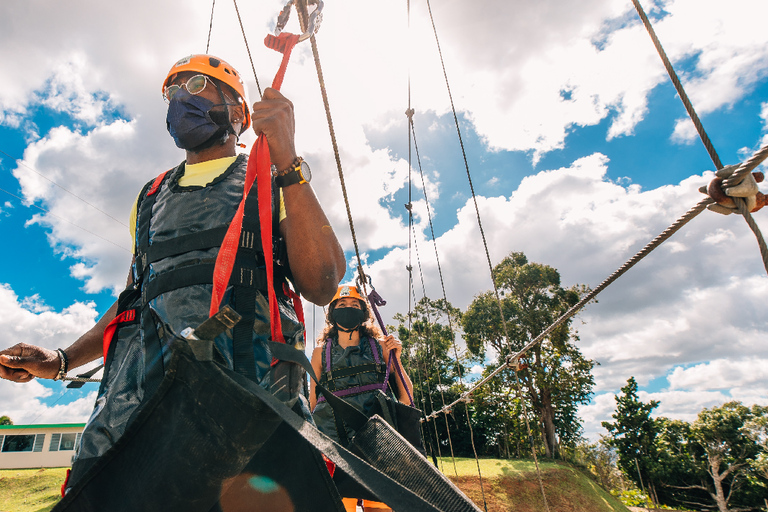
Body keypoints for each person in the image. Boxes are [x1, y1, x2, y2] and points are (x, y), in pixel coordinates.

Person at [0, 54, 346, 495]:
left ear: (238, 111)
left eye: (199, 85)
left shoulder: (270, 177)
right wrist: (61, 359)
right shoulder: (149, 197)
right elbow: (134, 302)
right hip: (147, 406)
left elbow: (323, 283)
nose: (180, 98)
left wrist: (287, 160)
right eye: (172, 91)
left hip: (251, 400)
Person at [310, 284, 414, 512]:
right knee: (338, 506)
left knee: (379, 507)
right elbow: (312, 402)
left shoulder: (381, 348)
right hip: (336, 448)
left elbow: (406, 397)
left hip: (378, 445)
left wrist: (396, 358)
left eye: (355, 305)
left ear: (364, 313)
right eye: (342, 304)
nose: (348, 309)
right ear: (332, 313)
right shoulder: (320, 354)